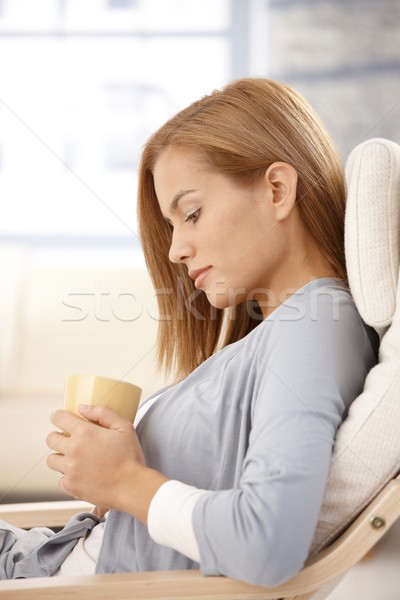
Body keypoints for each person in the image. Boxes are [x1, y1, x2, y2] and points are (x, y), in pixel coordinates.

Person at [0, 78, 378, 586]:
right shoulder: (284, 330)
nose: (175, 250)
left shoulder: (313, 328)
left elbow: (266, 544)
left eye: (192, 213)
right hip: (39, 558)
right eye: (172, 225)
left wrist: (125, 481)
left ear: (277, 190)